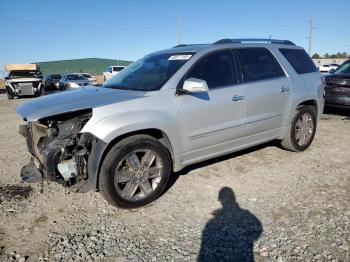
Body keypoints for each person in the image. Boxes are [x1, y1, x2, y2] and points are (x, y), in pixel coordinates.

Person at [198, 187, 263, 262]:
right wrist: (249, 240)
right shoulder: (246, 214)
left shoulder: (213, 221)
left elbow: (258, 228)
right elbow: (258, 227)